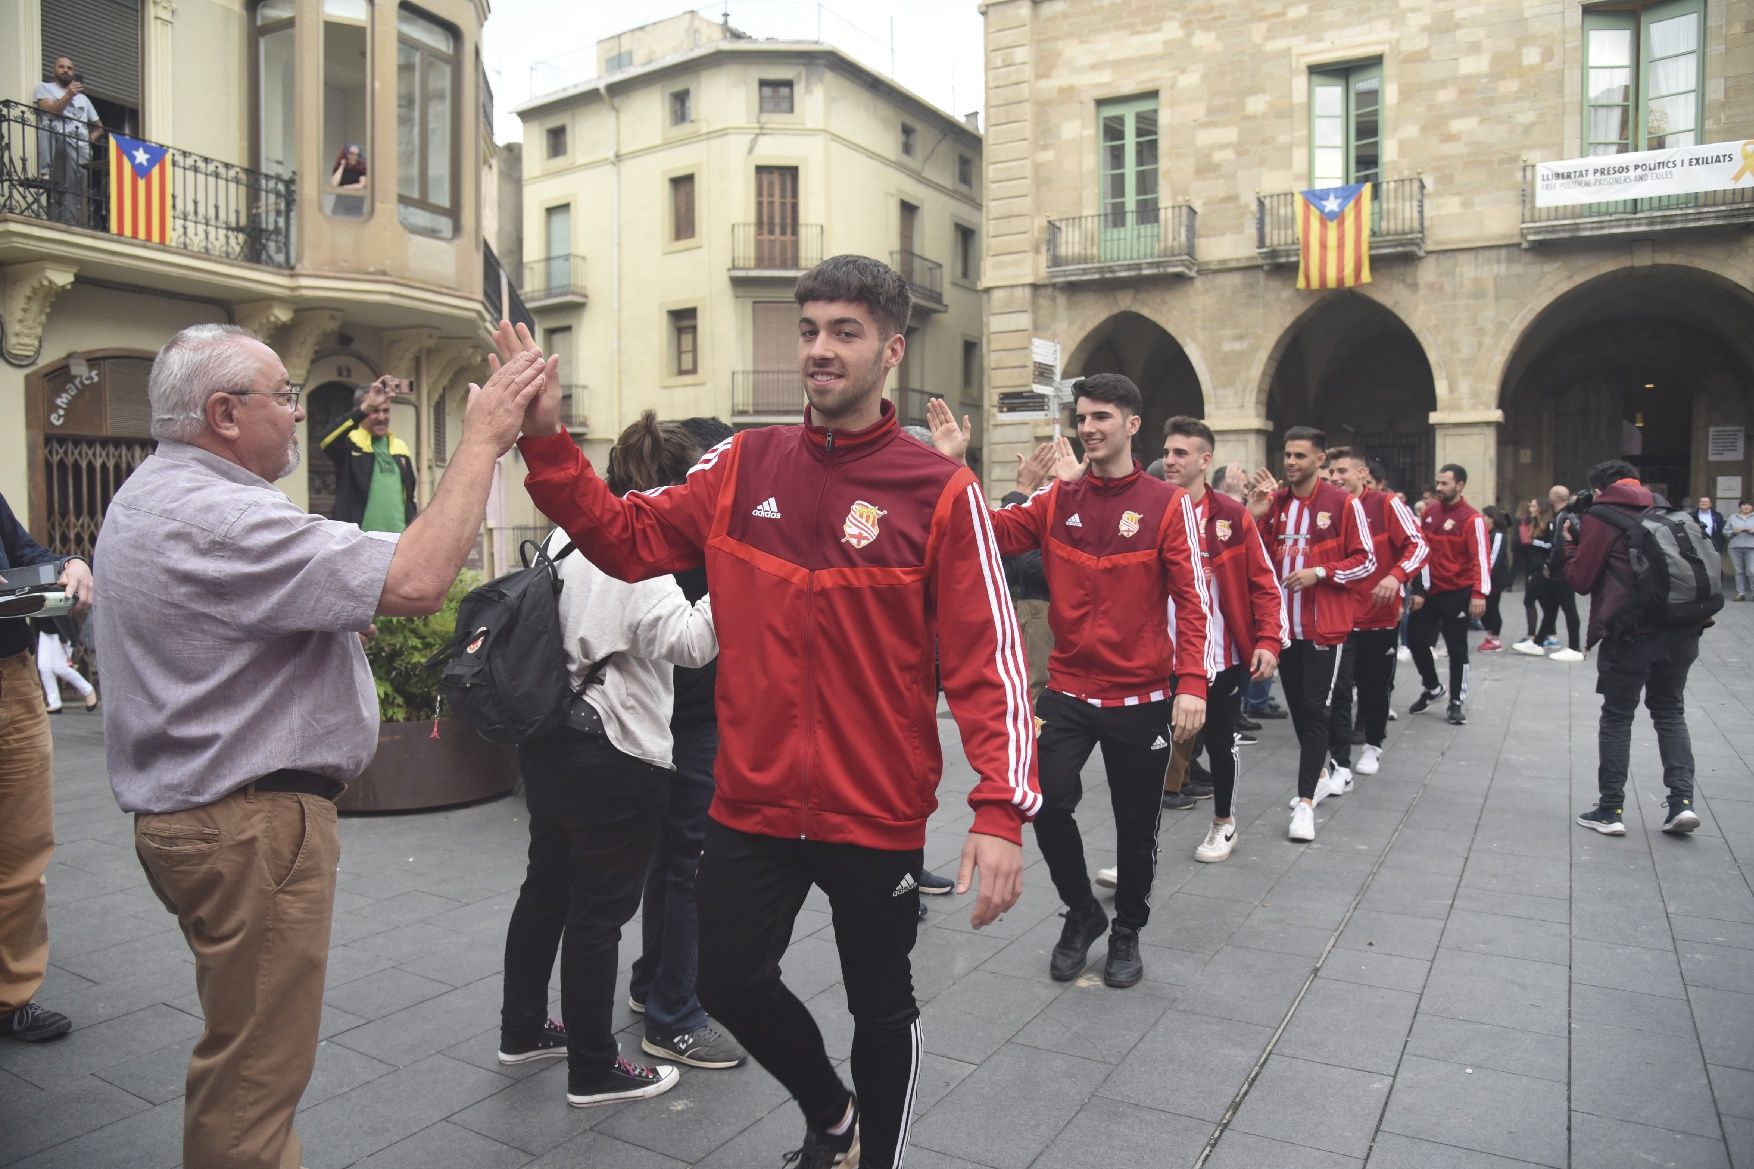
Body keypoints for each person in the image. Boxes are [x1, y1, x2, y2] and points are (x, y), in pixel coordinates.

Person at [509, 255, 1038, 1169]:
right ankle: (832, 1113)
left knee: (882, 1002)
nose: (821, 351)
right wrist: (548, 443)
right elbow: (629, 539)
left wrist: (999, 807)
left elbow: (990, 662)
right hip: (749, 800)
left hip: (873, 810)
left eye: (845, 332)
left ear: (891, 350)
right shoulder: (743, 461)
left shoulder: (940, 492)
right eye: (809, 330)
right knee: (726, 979)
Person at [94, 321, 549, 1169]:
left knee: (244, 1052)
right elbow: (418, 576)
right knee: (254, 1083)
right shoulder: (222, 514)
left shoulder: (157, 492)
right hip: (249, 826)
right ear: (225, 413)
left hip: (200, 814)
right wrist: (486, 435)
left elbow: (229, 622)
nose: (300, 414)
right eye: (286, 395)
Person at [931, 377, 1212, 989]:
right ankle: (1082, 913)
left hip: (1142, 698)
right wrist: (951, 470)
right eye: (1082, 417)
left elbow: (1194, 601)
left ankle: (1128, 932)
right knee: (1046, 802)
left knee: (1139, 831)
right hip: (1068, 692)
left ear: (1133, 425)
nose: (1089, 428)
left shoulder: (1169, 505)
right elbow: (989, 532)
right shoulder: (1059, 500)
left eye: (1103, 417)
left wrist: (1192, 681)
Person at [498, 411, 731, 1103]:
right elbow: (689, 642)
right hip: (613, 746)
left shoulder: (574, 533)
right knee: (598, 913)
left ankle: (522, 1027)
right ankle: (595, 1067)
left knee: (548, 887)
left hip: (550, 738)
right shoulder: (636, 549)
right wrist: (733, 576)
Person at [1158, 416, 1283, 861]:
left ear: (1204, 460)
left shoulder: (1231, 517)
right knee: (1150, 749)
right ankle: (1136, 846)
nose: (1169, 460)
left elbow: (1263, 582)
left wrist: (1268, 639)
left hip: (1221, 657)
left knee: (1220, 741)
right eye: (1167, 452)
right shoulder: (1153, 509)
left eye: (1180, 453)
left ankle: (1224, 823)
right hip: (1159, 658)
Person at [1248, 427, 1375, 841]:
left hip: (1325, 627)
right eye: (1287, 454)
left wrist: (1321, 572)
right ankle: (1321, 773)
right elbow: (1256, 556)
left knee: (1316, 709)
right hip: (1284, 629)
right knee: (1302, 711)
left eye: (1300, 456)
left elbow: (1366, 561)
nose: (1290, 462)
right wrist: (1253, 513)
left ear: (1320, 460)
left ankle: (1304, 805)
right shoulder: (1277, 503)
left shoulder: (1342, 503)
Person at [1568, 460, 1705, 838]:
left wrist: (1568, 543)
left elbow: (1580, 579)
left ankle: (1610, 809)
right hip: (1681, 628)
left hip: (1631, 633)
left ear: (1599, 489)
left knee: (1617, 717)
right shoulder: (1666, 509)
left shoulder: (1601, 515)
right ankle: (1682, 804)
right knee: (1670, 712)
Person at [0, 493, 92, 1045]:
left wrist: (67, 565)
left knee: (23, 848)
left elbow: (24, 551)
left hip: (12, 676)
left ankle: (11, 997)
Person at [1326, 448, 1426, 780]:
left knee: (1373, 686)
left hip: (1378, 616)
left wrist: (1395, 577)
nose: (1337, 478)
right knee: (1339, 689)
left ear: (1363, 473)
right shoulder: (1328, 508)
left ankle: (1373, 744)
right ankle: (1339, 760)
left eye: (1343, 471)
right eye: (1332, 472)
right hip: (1338, 616)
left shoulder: (1386, 504)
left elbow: (1418, 545)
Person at [1407, 464, 1490, 724]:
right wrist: (1418, 588)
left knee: (1457, 649)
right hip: (1430, 592)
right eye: (1438, 483)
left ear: (1460, 485)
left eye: (1444, 484)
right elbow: (1420, 552)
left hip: (1458, 593)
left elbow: (1481, 559)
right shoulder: (1429, 513)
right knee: (1415, 640)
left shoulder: (1472, 518)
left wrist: (1479, 594)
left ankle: (1456, 701)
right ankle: (1433, 688)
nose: (1439, 488)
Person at [319, 375, 417, 532]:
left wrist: (411, 524)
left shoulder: (400, 447)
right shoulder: (350, 442)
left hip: (397, 543)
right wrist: (364, 409)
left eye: (386, 411)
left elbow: (409, 496)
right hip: (359, 543)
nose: (381, 417)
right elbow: (325, 440)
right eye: (374, 411)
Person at [32, 56, 104, 226]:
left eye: (69, 68)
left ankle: (70, 224)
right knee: (46, 125)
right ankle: (45, 172)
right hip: (57, 137)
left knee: (74, 188)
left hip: (79, 145)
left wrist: (89, 139)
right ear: (54, 70)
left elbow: (99, 126)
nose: (66, 70)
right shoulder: (44, 88)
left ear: (73, 72)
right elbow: (50, 113)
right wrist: (68, 95)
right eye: (61, 67)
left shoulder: (84, 99)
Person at [1533, 484, 1585, 661]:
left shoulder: (1563, 516)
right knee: (1552, 607)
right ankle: (1538, 641)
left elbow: (1559, 546)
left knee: (1568, 608)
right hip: (1564, 569)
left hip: (1562, 571)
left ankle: (1575, 647)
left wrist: (1549, 564)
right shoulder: (1568, 514)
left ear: (1553, 498)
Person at [35, 619, 96, 713]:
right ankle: (54, 702)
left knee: (60, 668)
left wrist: (65, 637)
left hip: (60, 630)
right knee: (44, 668)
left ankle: (88, 690)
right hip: (44, 629)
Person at [1477, 505, 1513, 652]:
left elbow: (1494, 557)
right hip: (1488, 577)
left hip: (1495, 578)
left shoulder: (1497, 535)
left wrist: (1484, 575)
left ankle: (1495, 639)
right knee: (1485, 609)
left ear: (1492, 518)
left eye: (1484, 516)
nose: (1482, 518)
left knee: (1492, 607)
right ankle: (1490, 635)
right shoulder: (1488, 533)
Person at [1728, 500, 1754, 601]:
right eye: (1744, 505)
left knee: (1752, 571)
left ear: (1751, 507)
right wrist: (1732, 531)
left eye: (1749, 505)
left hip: (1752, 546)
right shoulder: (1732, 517)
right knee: (1739, 571)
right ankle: (1740, 593)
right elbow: (1725, 531)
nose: (1746, 507)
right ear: (1740, 507)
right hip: (1735, 547)